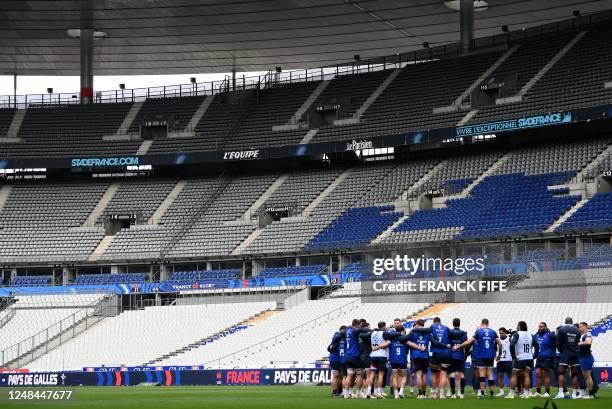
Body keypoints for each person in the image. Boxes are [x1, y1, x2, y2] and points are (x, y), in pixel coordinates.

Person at [454, 318, 502, 398]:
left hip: (481, 355)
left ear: (481, 323)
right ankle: (492, 394)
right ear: (488, 323)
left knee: (482, 374)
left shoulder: (479, 331)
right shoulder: (493, 332)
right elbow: (500, 344)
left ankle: (482, 394)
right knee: (490, 374)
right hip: (490, 355)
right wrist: (499, 355)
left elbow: (469, 342)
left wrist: (459, 346)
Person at [505, 321, 538, 399]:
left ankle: (511, 393)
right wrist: (535, 355)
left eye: (517, 326)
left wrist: (513, 355)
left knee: (514, 374)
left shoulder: (517, 334)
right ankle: (526, 394)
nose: (516, 327)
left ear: (519, 326)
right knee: (527, 375)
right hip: (529, 357)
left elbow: (512, 344)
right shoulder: (530, 334)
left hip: (520, 357)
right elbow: (536, 345)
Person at [341, 319, 370, 398]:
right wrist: (369, 329)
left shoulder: (348, 331)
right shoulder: (354, 330)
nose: (360, 326)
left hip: (348, 356)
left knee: (349, 375)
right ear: (357, 324)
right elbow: (362, 330)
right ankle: (358, 393)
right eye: (360, 325)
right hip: (355, 355)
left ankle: (346, 394)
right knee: (360, 375)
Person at [554, 317, 582, 399]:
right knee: (574, 374)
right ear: (572, 322)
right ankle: (574, 394)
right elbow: (577, 341)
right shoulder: (577, 330)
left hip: (566, 352)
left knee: (561, 373)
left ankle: (561, 393)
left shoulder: (562, 329)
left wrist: (561, 350)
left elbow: (558, 342)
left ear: (565, 322)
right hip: (575, 353)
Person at [429, 317, 451, 399]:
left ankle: (434, 393)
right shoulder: (446, 328)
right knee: (444, 374)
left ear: (434, 322)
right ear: (440, 322)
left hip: (436, 354)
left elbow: (433, 342)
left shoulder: (431, 327)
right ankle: (442, 394)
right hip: (446, 354)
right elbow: (452, 337)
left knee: (434, 374)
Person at [388, 319, 408, 399]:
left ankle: (396, 394)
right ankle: (401, 391)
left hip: (393, 359)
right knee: (404, 376)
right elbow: (408, 346)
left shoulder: (391, 337)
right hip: (402, 359)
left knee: (395, 376)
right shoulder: (405, 337)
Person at [534, 322, 555, 397]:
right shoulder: (536, 335)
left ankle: (547, 392)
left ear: (545, 327)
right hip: (539, 358)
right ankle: (538, 392)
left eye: (541, 326)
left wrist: (552, 355)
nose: (540, 328)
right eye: (539, 326)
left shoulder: (550, 335)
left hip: (547, 357)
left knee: (546, 375)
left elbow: (555, 345)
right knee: (538, 374)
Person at [448, 318, 468, 399]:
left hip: (451, 356)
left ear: (453, 324)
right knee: (462, 375)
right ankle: (462, 394)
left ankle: (453, 394)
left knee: (452, 375)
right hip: (460, 355)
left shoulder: (449, 332)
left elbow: (448, 344)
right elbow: (466, 345)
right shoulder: (463, 333)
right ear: (459, 324)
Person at [578, 322, 597, 399]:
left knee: (587, 377)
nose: (579, 328)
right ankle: (591, 394)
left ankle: (591, 394)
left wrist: (579, 343)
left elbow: (588, 342)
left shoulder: (587, 334)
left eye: (581, 326)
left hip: (587, 358)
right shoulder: (582, 335)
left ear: (585, 327)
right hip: (583, 358)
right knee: (587, 377)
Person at [327, 325, 346, 397]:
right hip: (336, 359)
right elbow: (330, 348)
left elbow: (329, 348)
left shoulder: (335, 337)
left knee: (339, 376)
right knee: (336, 376)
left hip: (335, 358)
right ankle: (335, 392)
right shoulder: (338, 336)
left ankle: (337, 391)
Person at [496, 327, 513, 396]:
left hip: (508, 360)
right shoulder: (497, 340)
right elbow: (494, 349)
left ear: (505, 333)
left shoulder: (510, 339)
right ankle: (501, 391)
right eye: (499, 333)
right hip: (500, 360)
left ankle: (512, 391)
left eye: (502, 333)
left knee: (510, 376)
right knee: (500, 375)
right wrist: (495, 356)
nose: (500, 334)